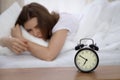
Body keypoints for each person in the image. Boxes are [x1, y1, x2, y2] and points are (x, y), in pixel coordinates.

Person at [0, 2, 79, 61]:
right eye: (29, 30)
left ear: (45, 20)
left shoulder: (63, 21)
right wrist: (6, 41)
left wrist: (19, 38)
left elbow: (49, 55)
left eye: (38, 26)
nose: (35, 33)